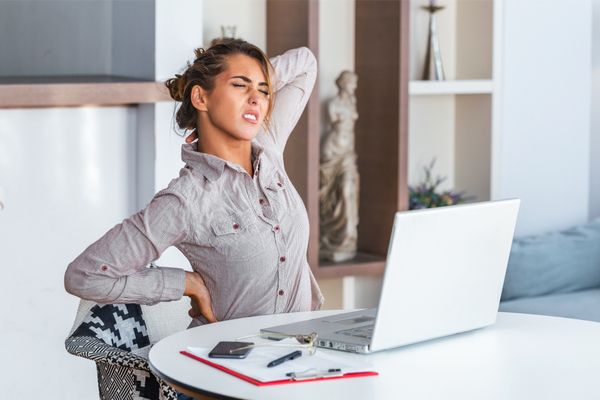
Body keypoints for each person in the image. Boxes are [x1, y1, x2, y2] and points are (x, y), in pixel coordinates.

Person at [64, 38, 324, 327]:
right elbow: (85, 275)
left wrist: (255, 79)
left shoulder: (268, 145)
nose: (257, 99)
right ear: (201, 98)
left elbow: (305, 62)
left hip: (303, 355)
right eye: (239, 85)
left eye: (264, 91)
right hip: (232, 366)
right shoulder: (185, 200)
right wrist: (186, 283)